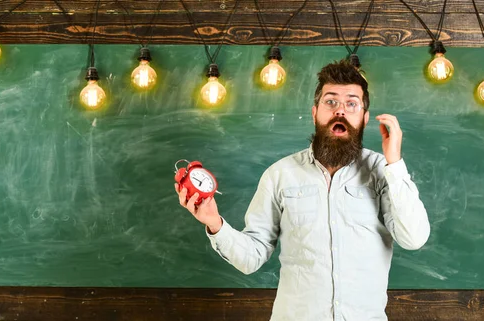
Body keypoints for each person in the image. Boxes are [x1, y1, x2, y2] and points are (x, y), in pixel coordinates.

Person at [175, 59, 430, 321]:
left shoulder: (383, 171)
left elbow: (414, 238)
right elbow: (251, 257)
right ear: (315, 112)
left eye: (351, 103)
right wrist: (215, 223)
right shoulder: (280, 175)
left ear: (364, 118)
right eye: (331, 102)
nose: (340, 111)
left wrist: (395, 163)